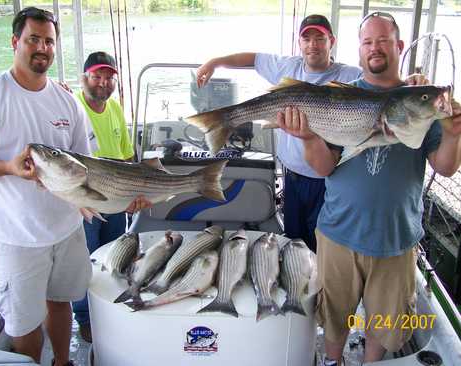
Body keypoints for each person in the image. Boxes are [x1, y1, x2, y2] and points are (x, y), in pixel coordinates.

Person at [276, 12, 461, 366]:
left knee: (385, 322)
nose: (375, 48)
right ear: (359, 51)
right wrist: (308, 136)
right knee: (333, 314)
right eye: (367, 42)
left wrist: (453, 134)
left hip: (396, 238)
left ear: (399, 46)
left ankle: (370, 363)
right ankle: (333, 360)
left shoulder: (421, 100)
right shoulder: (339, 96)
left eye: (383, 41)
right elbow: (325, 167)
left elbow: (446, 166)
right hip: (338, 231)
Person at [0, 7, 149, 366]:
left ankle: (63, 362)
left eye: (49, 41)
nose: (42, 48)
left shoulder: (66, 101)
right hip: (16, 236)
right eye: (33, 39)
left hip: (67, 228)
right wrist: (7, 166)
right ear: (15, 42)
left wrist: (121, 196)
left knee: (62, 301)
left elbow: (88, 168)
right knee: (23, 320)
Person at [196, 14, 362, 252]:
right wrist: (215, 62)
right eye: (307, 38)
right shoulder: (289, 66)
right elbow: (251, 59)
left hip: (329, 180)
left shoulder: (350, 75)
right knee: (292, 238)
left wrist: (410, 82)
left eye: (320, 38)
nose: (312, 44)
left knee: (322, 243)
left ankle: (320, 286)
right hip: (291, 175)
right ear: (299, 43)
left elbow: (380, 87)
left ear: (331, 41)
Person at [72, 51, 134, 343]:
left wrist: (137, 192)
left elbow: (127, 156)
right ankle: (85, 318)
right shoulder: (72, 107)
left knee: (113, 256)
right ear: (84, 78)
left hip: (117, 198)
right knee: (84, 261)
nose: (103, 83)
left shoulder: (115, 108)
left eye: (109, 78)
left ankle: (109, 309)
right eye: (97, 76)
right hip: (86, 200)